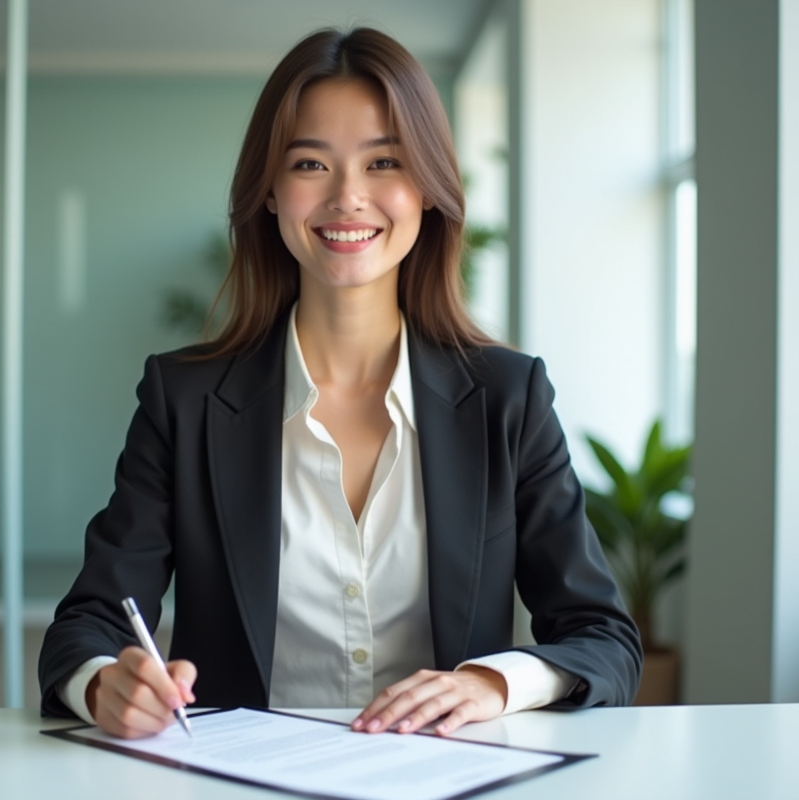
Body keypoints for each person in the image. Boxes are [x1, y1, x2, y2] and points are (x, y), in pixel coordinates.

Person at [38, 26, 641, 740]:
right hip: (242, 782)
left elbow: (603, 638)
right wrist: (106, 683)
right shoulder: (185, 399)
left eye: (384, 160)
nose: (348, 198)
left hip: (451, 778)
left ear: (428, 189)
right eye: (310, 164)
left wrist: (492, 683)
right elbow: (88, 623)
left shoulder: (509, 400)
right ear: (268, 192)